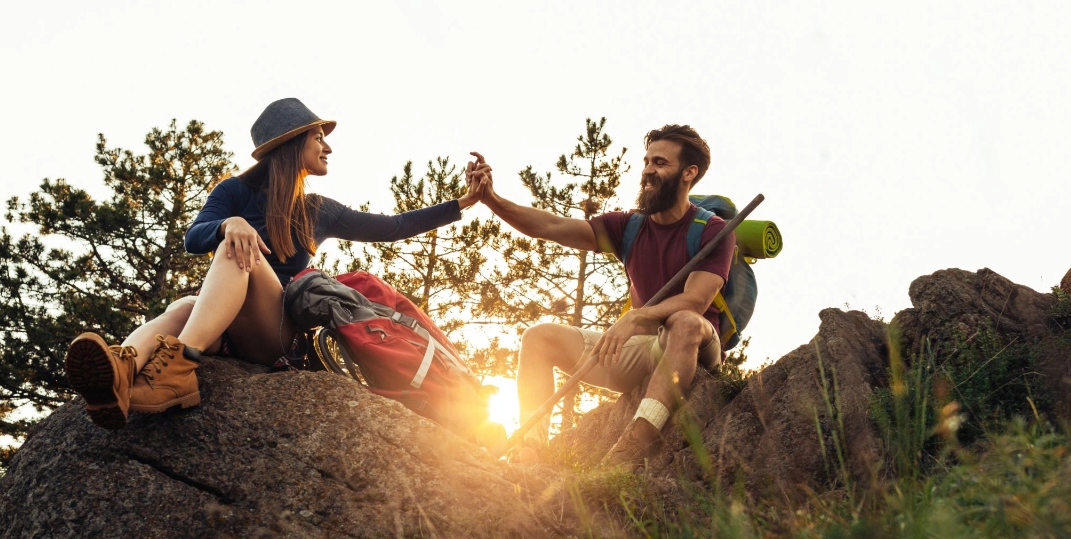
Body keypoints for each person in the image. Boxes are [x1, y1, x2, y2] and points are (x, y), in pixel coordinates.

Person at [65, 97, 486, 429]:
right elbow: (196, 237)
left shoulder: (317, 209)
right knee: (182, 306)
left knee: (238, 254)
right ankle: (122, 372)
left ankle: (177, 369)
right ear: (293, 141)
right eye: (318, 136)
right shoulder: (234, 191)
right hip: (226, 328)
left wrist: (464, 202)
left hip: (279, 336)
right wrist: (229, 222)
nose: (328, 146)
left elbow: (392, 226)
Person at [469, 125, 734, 469]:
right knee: (539, 338)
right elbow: (549, 227)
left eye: (660, 163)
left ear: (689, 173)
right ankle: (530, 455)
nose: (648, 171)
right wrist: (492, 200)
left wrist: (637, 316)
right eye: (646, 162)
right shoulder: (629, 227)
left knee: (684, 322)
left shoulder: (712, 231)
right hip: (642, 349)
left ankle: (633, 447)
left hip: (694, 345)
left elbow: (696, 302)